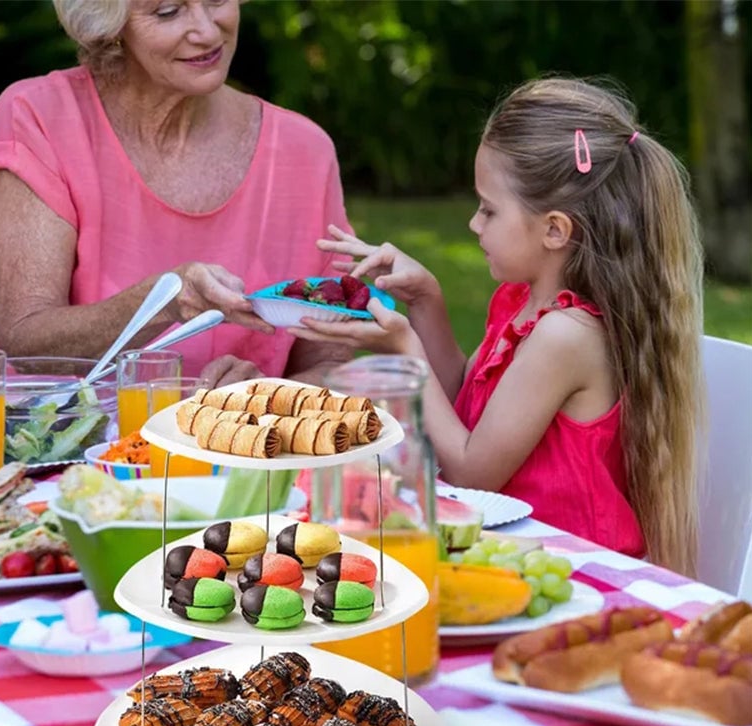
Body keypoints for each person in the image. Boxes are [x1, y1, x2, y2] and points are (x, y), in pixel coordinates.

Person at [290, 77, 704, 577]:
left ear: (555, 229)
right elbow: (461, 410)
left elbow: (471, 469)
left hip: (579, 573)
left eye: (489, 209)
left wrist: (404, 345)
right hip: (507, 558)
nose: (473, 223)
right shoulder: (521, 303)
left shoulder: (566, 335)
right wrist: (426, 303)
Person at [0, 0, 353, 385]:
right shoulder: (40, 117)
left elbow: (332, 363)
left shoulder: (304, 151)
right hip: (52, 437)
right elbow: (25, 340)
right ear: (111, 25)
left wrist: (267, 394)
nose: (206, 31)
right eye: (168, 11)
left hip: (229, 443)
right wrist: (163, 301)